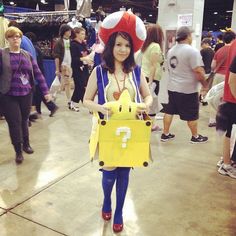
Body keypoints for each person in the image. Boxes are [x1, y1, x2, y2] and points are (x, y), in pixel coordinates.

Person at [83, 11, 151, 233]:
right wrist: (100, 108)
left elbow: (148, 95)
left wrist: (145, 104)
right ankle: (106, 201)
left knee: (124, 172)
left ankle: (119, 210)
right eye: (119, 44)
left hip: (131, 130)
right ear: (111, 45)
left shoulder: (136, 71)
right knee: (109, 172)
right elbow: (86, 100)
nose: (123, 50)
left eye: (127, 46)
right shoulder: (99, 72)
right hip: (108, 130)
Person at [0, 26, 50, 164]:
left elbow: (38, 73)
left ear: (21, 39)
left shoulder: (27, 55)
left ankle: (26, 144)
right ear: (7, 39)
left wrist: (46, 92)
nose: (15, 39)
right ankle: (18, 150)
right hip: (8, 94)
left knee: (24, 120)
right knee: (14, 123)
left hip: (26, 93)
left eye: (17, 36)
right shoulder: (2, 54)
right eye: (12, 36)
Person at [161, 26, 208, 143]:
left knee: (169, 111)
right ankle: (195, 136)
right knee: (192, 115)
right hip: (188, 90)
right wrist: (205, 85)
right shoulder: (192, 51)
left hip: (172, 87)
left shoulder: (171, 50)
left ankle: (165, 134)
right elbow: (198, 70)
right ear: (187, 36)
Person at [25, 32, 58, 117]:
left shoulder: (33, 49)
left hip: (37, 73)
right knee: (39, 92)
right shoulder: (35, 48)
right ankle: (45, 108)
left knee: (38, 92)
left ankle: (49, 107)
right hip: (39, 72)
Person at [217, 37, 236, 178]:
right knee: (230, 132)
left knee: (228, 131)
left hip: (229, 95)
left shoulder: (234, 44)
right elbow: (232, 78)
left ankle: (226, 160)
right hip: (233, 97)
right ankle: (227, 164)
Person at [208, 31, 235, 127]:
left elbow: (213, 65)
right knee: (226, 99)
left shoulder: (219, 50)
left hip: (218, 76)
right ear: (233, 39)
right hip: (229, 77)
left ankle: (212, 120)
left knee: (214, 97)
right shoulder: (234, 50)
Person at [140, 23, 164, 131]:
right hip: (151, 78)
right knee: (152, 102)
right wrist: (150, 82)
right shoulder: (155, 46)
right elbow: (153, 65)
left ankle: (146, 123)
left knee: (146, 101)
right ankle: (150, 125)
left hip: (146, 76)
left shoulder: (146, 45)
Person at [70, 27, 90, 111]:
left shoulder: (83, 44)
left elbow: (86, 54)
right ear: (77, 34)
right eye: (82, 34)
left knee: (80, 87)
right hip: (77, 68)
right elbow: (74, 59)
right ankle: (88, 106)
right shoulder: (73, 45)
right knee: (80, 87)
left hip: (84, 67)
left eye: (84, 34)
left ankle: (72, 103)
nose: (84, 36)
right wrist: (83, 59)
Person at [53, 24, 73, 109]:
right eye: (68, 31)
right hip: (64, 66)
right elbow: (56, 57)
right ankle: (69, 101)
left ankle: (53, 97)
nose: (70, 32)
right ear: (64, 31)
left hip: (69, 65)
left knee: (63, 84)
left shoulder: (71, 41)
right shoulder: (59, 42)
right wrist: (57, 69)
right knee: (67, 83)